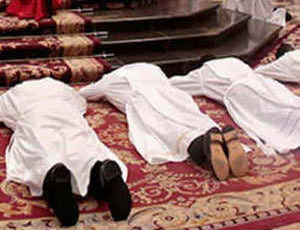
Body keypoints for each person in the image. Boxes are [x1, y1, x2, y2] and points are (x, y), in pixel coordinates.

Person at [0, 78, 131, 226]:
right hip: (69, 118)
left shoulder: (16, 93)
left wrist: (10, 118)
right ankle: (100, 172)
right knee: (85, 151)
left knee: (40, 157)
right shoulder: (60, 87)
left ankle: (54, 177)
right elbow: (81, 105)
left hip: (36, 121)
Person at [79, 63, 247, 180]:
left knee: (170, 131)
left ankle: (204, 147)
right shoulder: (152, 68)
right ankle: (221, 139)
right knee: (194, 118)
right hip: (174, 95)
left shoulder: (111, 80)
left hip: (144, 100)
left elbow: (86, 93)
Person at [171, 56, 300, 156]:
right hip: (265, 85)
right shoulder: (235, 61)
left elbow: (174, 85)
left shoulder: (202, 74)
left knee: (270, 112)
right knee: (285, 101)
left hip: (242, 93)